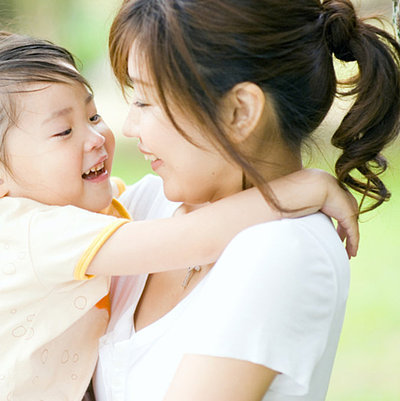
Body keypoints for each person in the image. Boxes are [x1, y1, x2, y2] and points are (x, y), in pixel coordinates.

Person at [0, 31, 358, 401]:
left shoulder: (43, 217)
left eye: (93, 114)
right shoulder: (38, 233)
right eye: (64, 132)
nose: (101, 135)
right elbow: (192, 237)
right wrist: (301, 187)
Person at [94, 0, 400, 400]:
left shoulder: (286, 251)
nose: (131, 126)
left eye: (146, 101)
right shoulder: (146, 204)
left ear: (240, 112)